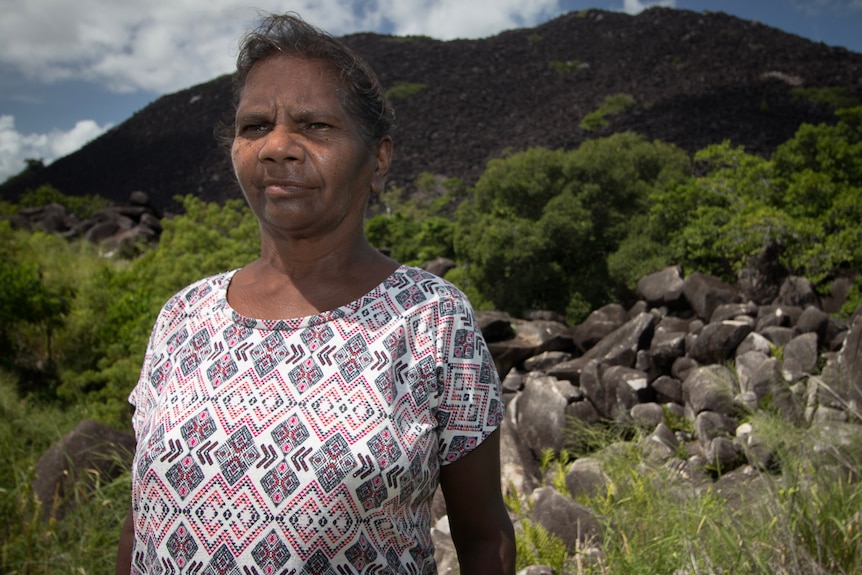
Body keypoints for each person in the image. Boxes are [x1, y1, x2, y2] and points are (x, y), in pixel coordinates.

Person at [116, 12, 515, 575]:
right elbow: (141, 522)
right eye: (255, 126)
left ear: (378, 158)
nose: (278, 147)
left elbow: (483, 536)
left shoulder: (431, 319)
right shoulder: (183, 316)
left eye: (315, 126)